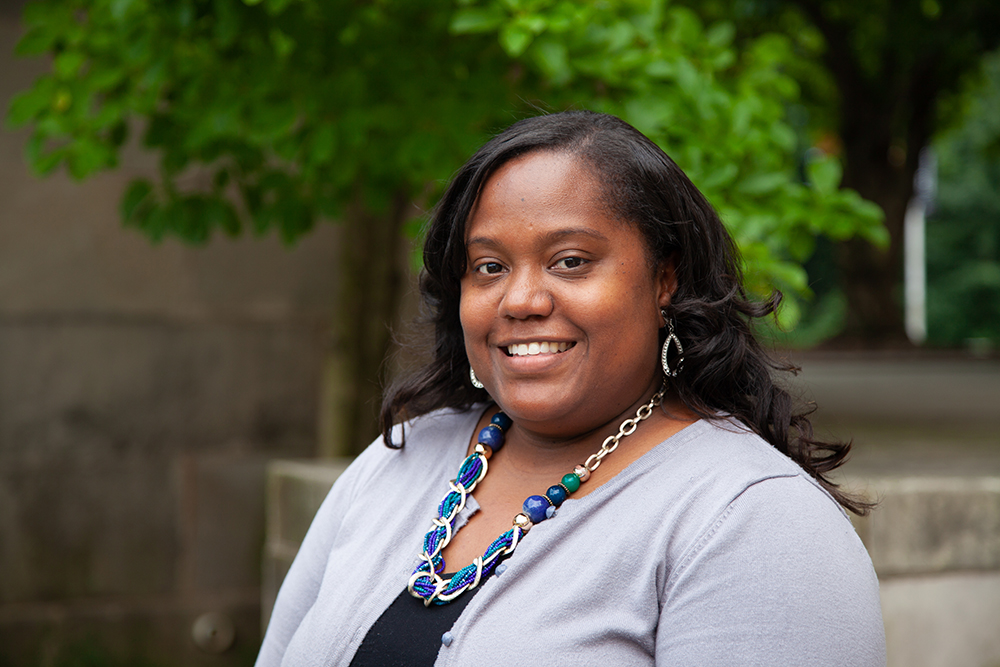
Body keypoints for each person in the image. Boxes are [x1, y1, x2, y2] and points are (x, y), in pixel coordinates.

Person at [256, 111, 886, 666]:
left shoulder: (753, 521)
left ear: (664, 278)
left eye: (571, 261)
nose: (521, 300)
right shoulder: (400, 459)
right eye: (489, 267)